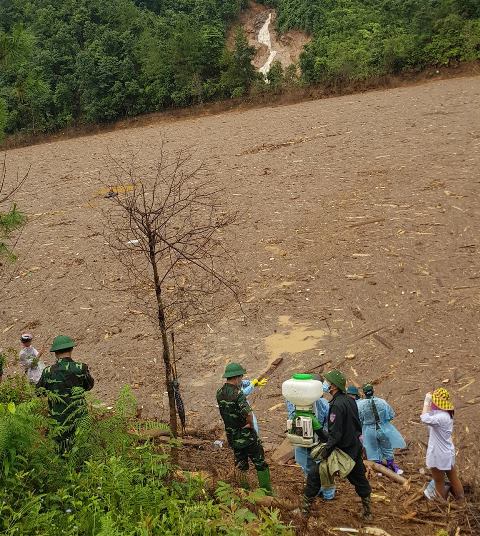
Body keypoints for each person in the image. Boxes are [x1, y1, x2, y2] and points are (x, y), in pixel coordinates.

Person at [302, 369, 372, 520]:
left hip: (342, 451)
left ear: (333, 386)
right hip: (354, 448)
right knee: (360, 480)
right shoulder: (350, 401)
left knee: (315, 475)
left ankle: (304, 512)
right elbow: (356, 425)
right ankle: (368, 512)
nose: (325, 384)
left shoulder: (336, 406)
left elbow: (335, 434)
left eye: (327, 382)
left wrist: (325, 452)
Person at [216, 362, 272, 494]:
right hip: (246, 435)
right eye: (241, 377)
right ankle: (267, 492)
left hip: (232, 435)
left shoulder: (219, 393)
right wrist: (251, 425)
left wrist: (253, 383)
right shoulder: (238, 394)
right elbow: (248, 413)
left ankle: (245, 492)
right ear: (236, 377)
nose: (242, 379)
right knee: (260, 463)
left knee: (241, 464)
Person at [37, 335, 94, 452]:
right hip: (79, 418)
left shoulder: (47, 371)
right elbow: (89, 386)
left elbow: (39, 392)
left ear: (55, 353)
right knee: (80, 450)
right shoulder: (81, 368)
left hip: (58, 420)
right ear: (71, 349)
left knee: (60, 451)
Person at [285, 375, 333, 498]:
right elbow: (328, 425)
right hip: (314, 440)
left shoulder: (293, 401)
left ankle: (322, 492)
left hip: (304, 439)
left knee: (311, 468)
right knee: (320, 468)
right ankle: (324, 492)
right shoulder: (324, 404)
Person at [420, 388, 464, 501]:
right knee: (453, 477)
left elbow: (424, 418)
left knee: (439, 481)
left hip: (438, 455)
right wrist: (431, 400)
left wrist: (427, 400)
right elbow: (430, 413)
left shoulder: (440, 417)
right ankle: (461, 501)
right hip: (447, 452)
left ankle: (441, 503)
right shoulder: (445, 414)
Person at [357, 384, 405, 474]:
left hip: (369, 430)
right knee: (387, 447)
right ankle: (393, 467)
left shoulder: (360, 405)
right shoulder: (382, 402)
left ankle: (378, 470)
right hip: (382, 427)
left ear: (364, 393)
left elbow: (359, 419)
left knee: (373, 449)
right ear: (373, 391)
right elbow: (391, 415)